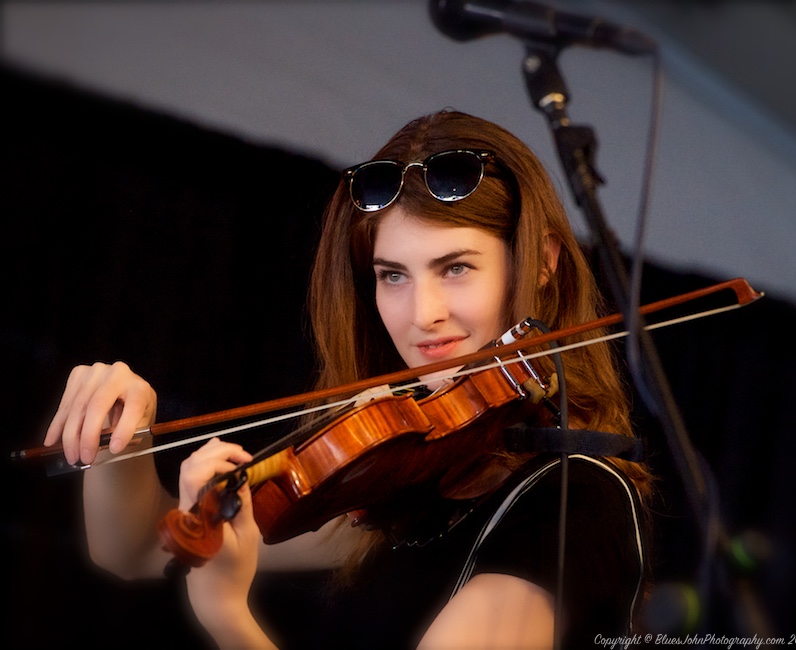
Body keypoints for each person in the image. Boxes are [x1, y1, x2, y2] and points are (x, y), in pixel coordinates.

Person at [44, 110, 652, 649]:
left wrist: (227, 615)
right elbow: (137, 553)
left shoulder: (574, 502)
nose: (422, 314)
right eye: (393, 276)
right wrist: (122, 438)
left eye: (456, 267)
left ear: (542, 263)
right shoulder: (414, 475)